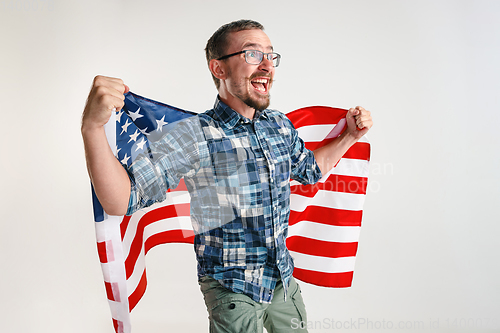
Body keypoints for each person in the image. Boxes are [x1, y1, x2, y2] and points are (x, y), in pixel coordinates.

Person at [81, 19, 372, 333]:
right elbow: (122, 199)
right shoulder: (195, 135)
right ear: (218, 69)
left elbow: (310, 169)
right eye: (251, 55)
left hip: (282, 283)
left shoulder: (278, 124)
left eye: (270, 56)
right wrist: (92, 128)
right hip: (232, 289)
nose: (266, 65)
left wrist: (350, 137)